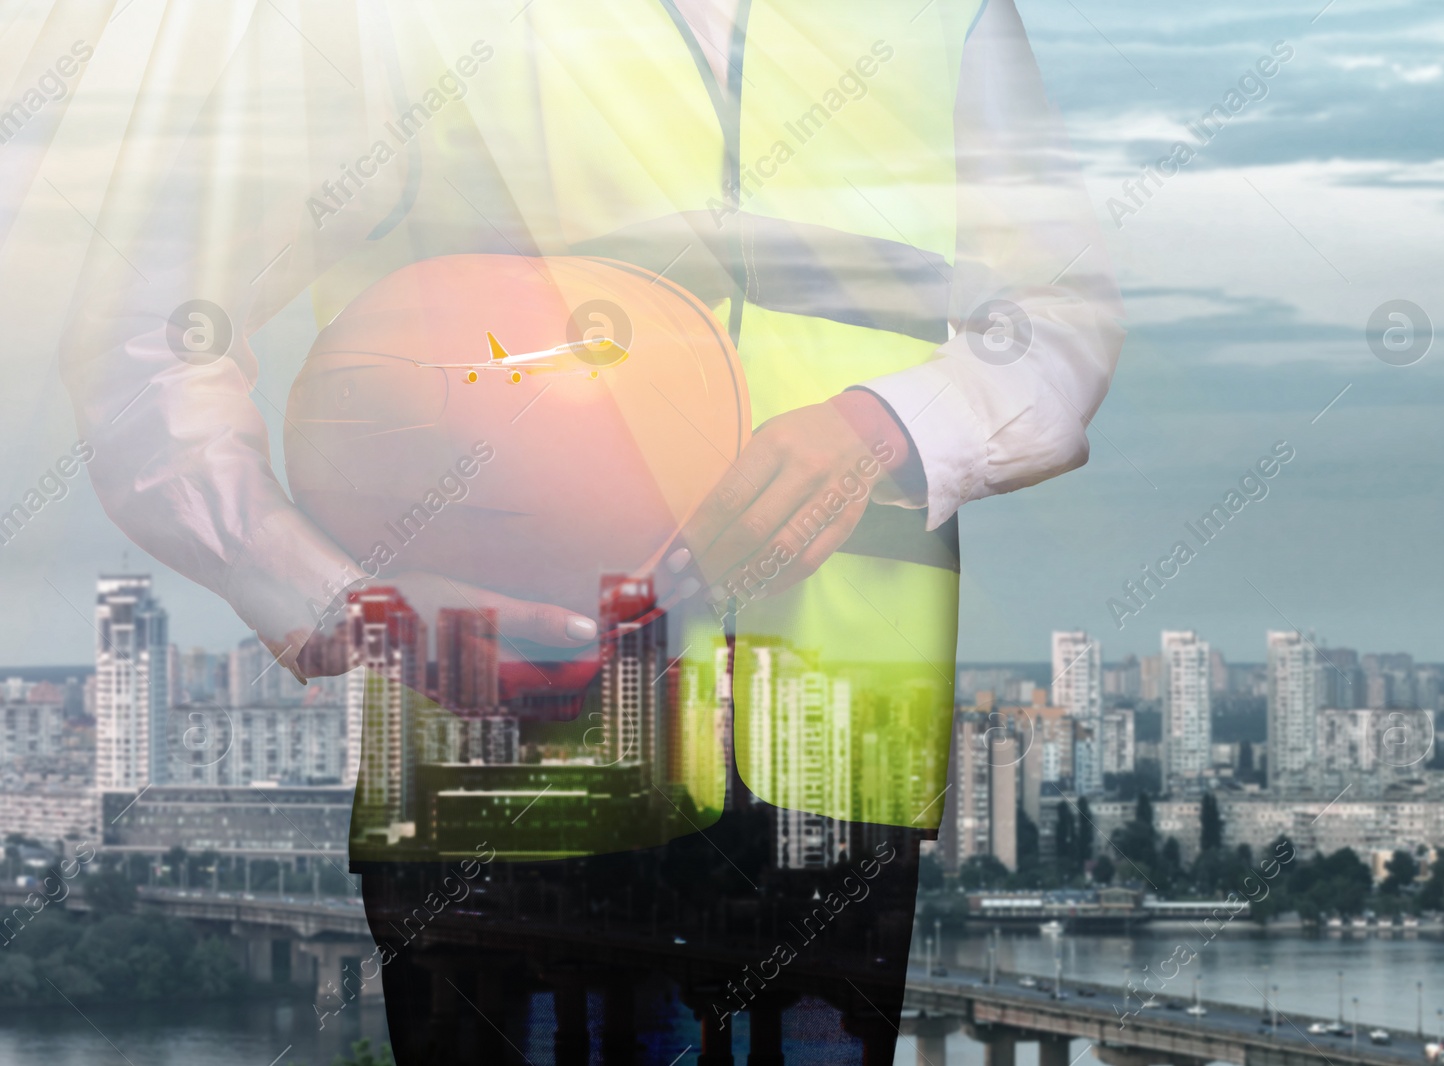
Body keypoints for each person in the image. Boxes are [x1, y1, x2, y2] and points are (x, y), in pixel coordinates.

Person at [47, 1, 1122, 1060]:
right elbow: (150, 332)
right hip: (502, 765)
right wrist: (341, 601)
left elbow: (1054, 313)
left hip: (838, 763)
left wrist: (890, 427)